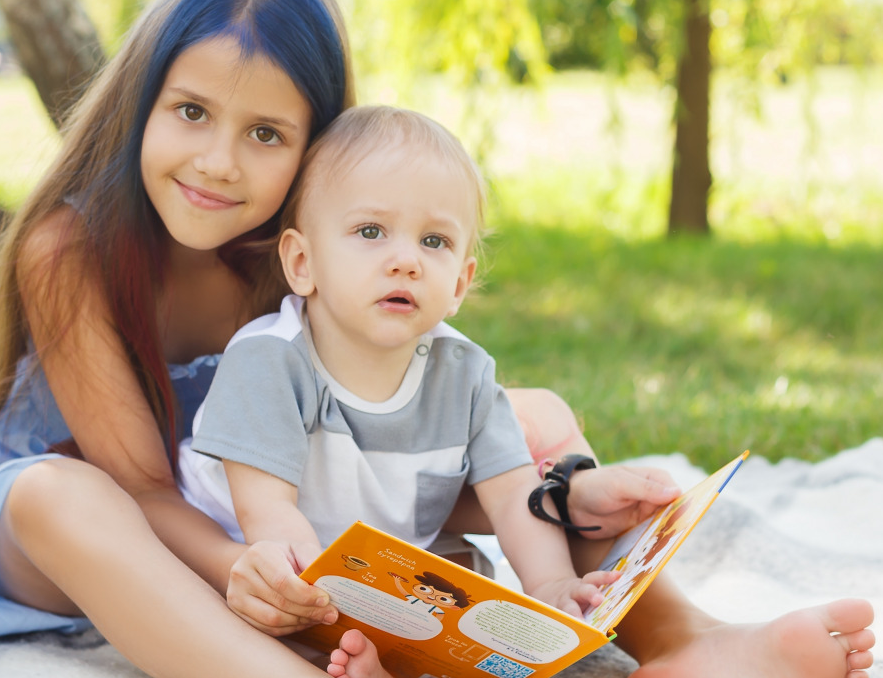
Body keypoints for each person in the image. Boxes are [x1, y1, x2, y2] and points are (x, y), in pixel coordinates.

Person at [0, 0, 875, 678]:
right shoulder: (75, 251)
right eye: (190, 112)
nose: (219, 162)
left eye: (266, 135)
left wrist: (563, 486)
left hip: (258, 520)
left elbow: (437, 407)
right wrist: (251, 575)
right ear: (144, 103)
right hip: (87, 534)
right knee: (70, 496)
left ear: (313, 154)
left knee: (528, 417)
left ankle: (677, 636)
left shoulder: (297, 255)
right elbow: (142, 488)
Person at [175, 106, 617, 647]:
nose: (406, 260)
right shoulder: (270, 360)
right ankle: (349, 666)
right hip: (248, 545)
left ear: (459, 283)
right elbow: (270, 514)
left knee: (472, 581)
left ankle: (382, 657)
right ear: (302, 262)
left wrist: (550, 583)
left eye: (435, 242)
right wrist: (316, 597)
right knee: (252, 620)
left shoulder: (466, 375)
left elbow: (511, 494)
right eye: (371, 231)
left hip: (376, 545)